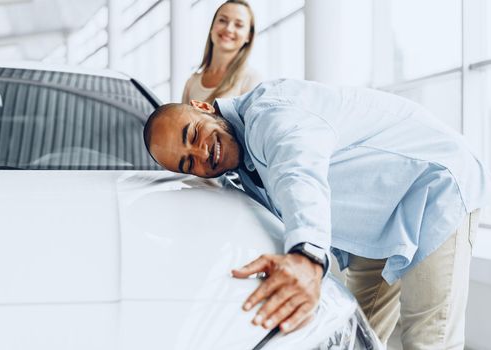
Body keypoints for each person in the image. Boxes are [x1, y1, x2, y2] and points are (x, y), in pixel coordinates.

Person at [143, 79, 491, 349]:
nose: (203, 153)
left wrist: (307, 257)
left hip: (435, 186)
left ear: (203, 107)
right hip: (378, 221)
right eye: (189, 163)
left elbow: (298, 172)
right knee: (352, 339)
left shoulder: (272, 112)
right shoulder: (237, 172)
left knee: (427, 340)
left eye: (193, 133)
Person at [182, 0, 261, 104]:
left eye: (238, 25)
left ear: (248, 37)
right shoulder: (192, 82)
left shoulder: (251, 79)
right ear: (212, 27)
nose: (229, 29)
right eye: (222, 20)